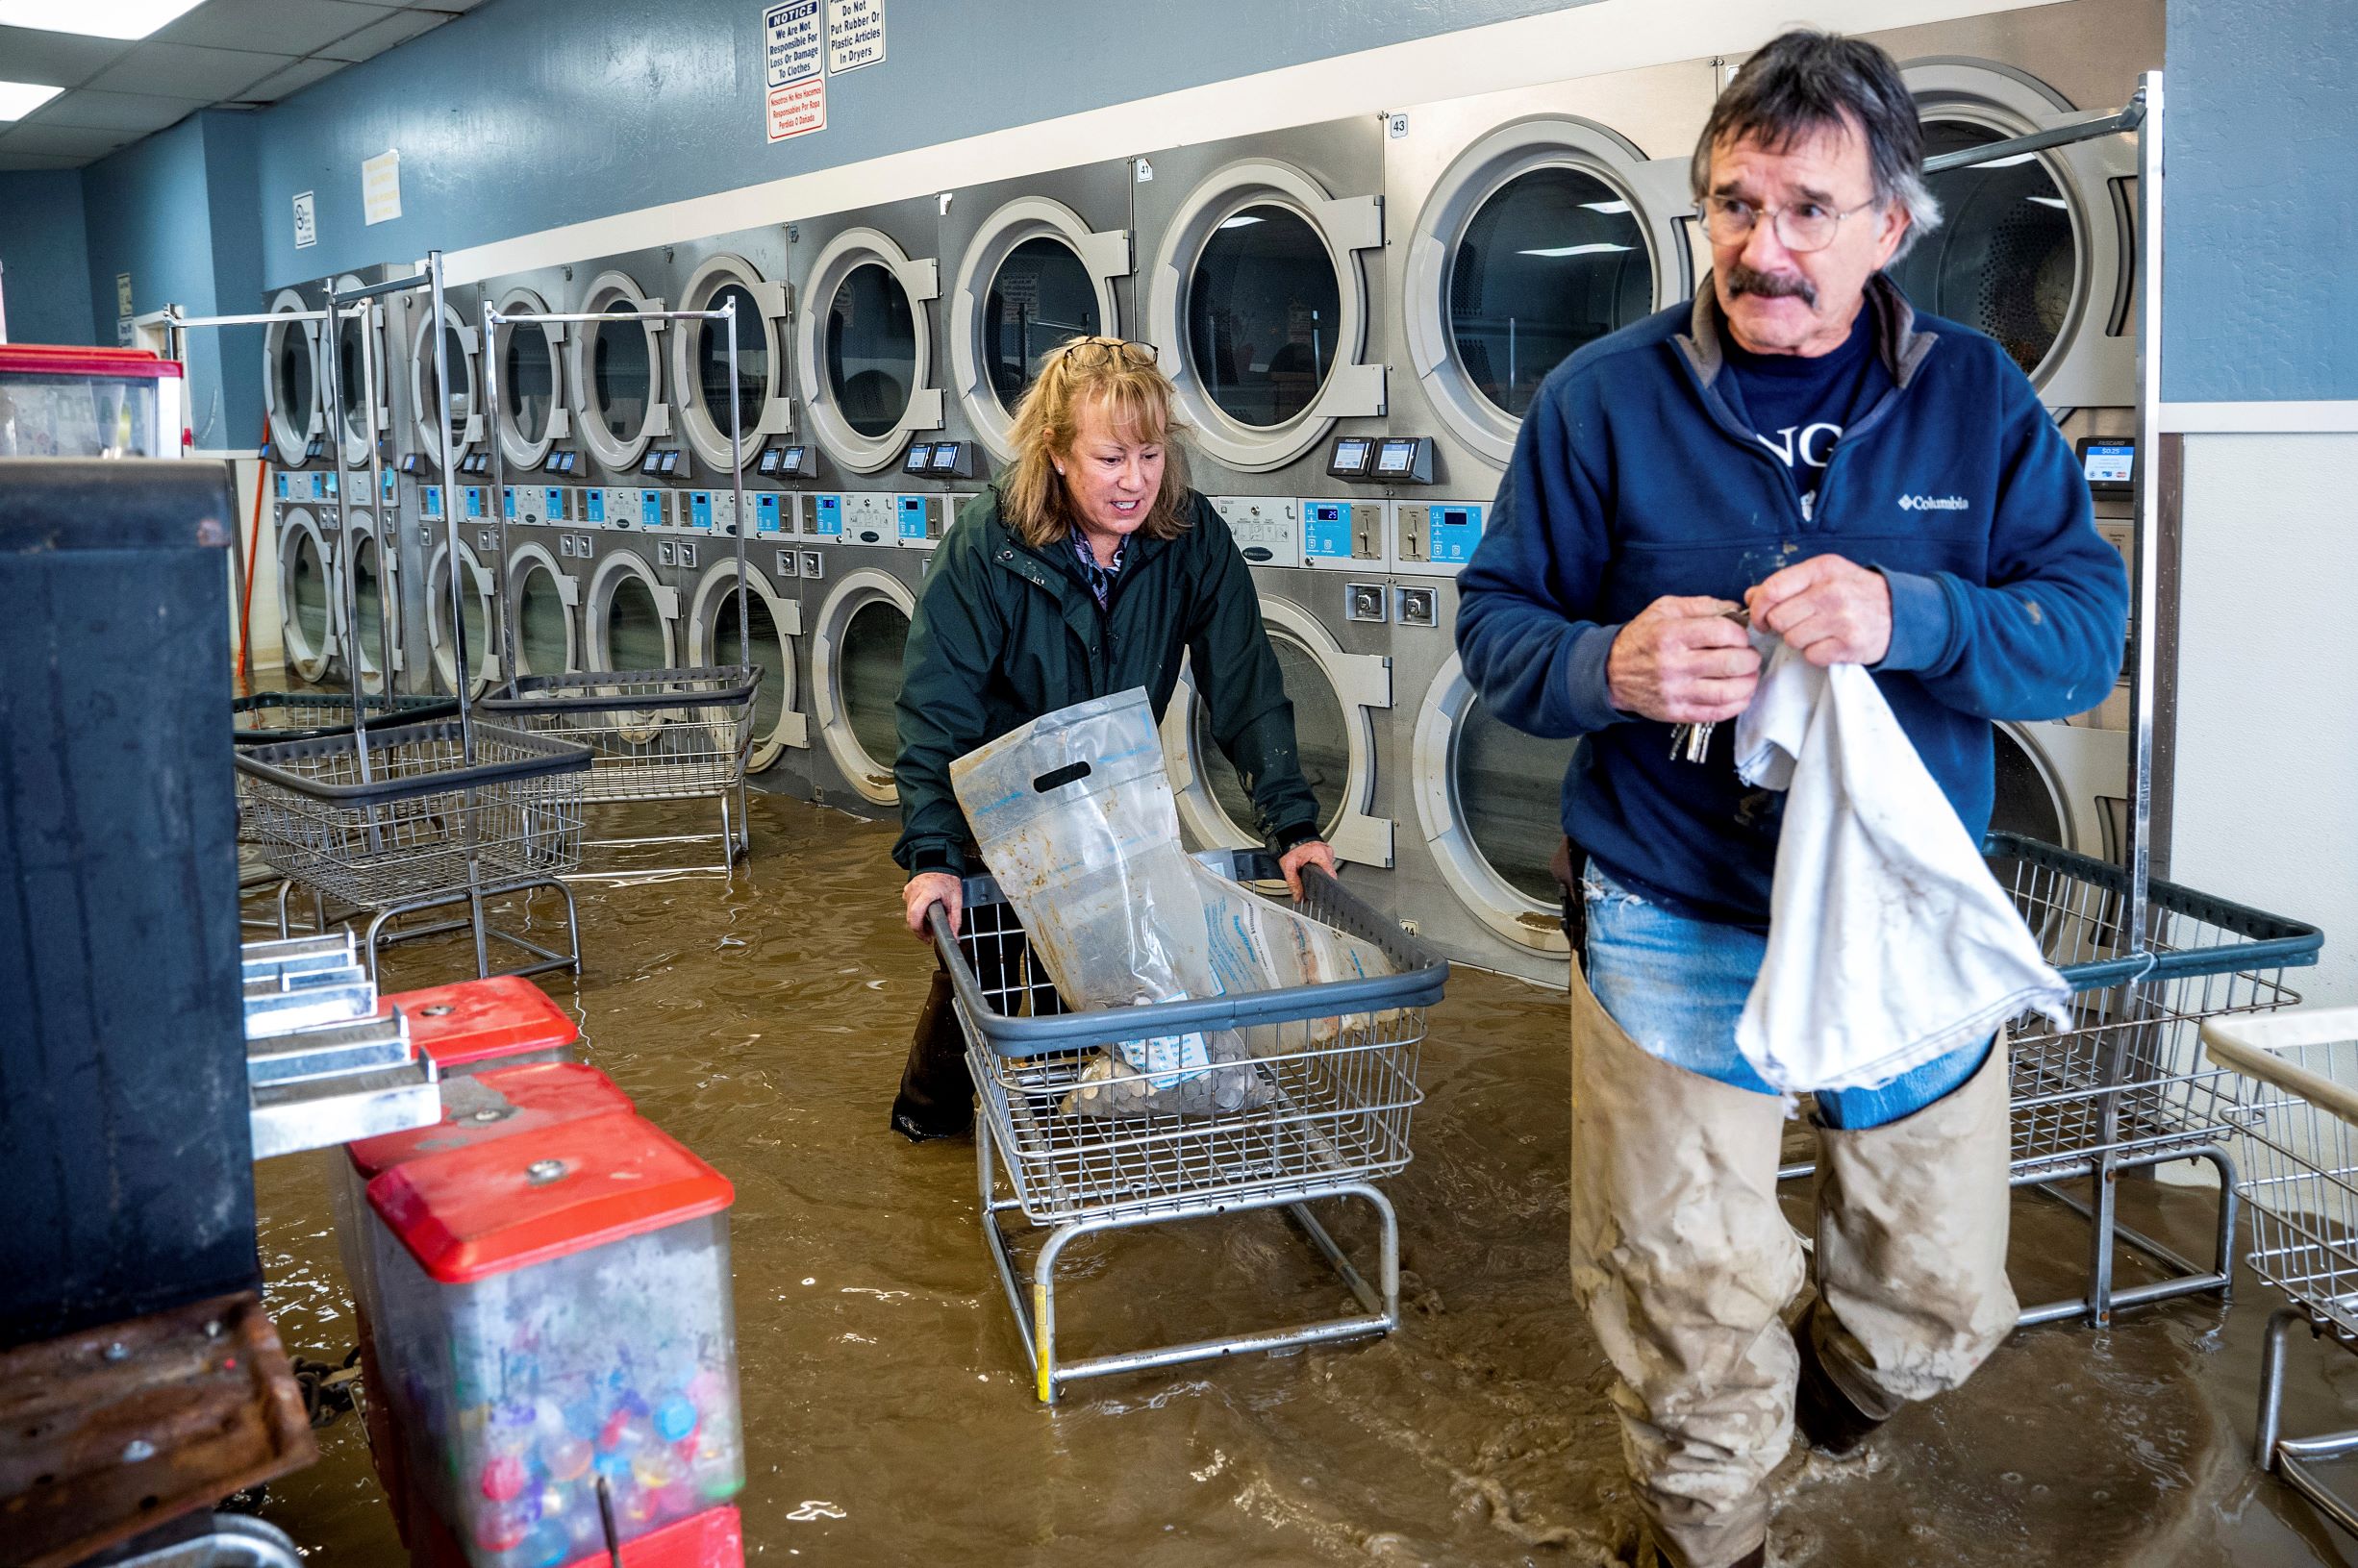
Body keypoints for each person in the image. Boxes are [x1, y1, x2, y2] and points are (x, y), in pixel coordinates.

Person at [1453, 31, 2128, 1568]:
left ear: (1893, 226)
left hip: (1896, 906)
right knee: (1683, 1292)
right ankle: (1712, 1524)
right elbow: (1495, 625)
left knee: (1941, 1298)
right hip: (1669, 908)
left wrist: (1918, 619)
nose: (1766, 250)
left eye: (1810, 209)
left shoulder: (1978, 400)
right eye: (1735, 205)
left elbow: (2087, 625)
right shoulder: (1600, 402)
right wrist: (1602, 662)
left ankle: (1815, 1396)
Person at [887, 336, 1340, 1142]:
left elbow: (1246, 687)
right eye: (1109, 458)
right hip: (1000, 816)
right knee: (982, 978)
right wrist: (932, 856)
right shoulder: (987, 548)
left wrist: (1294, 824)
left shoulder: (1190, 539)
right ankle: (927, 1125)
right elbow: (935, 706)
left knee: (1101, 994)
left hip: (1111, 805)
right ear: (1056, 453)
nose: (1135, 481)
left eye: (1151, 454)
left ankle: (1087, 1159)